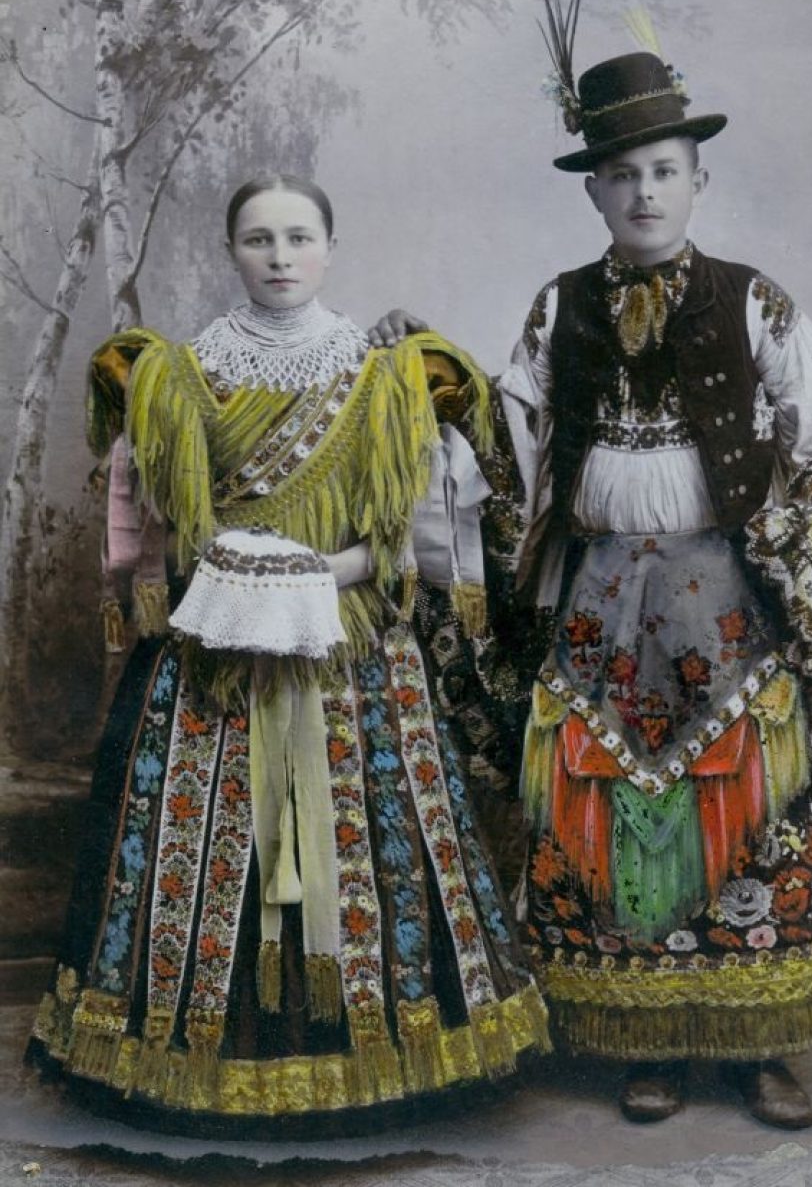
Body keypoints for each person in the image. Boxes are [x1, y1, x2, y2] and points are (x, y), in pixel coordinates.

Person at [369, 29, 812, 1129]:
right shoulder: (558, 307)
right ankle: (640, 1040)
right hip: (598, 609)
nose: (644, 192)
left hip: (729, 609)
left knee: (753, 813)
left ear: (698, 180)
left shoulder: (751, 301)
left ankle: (760, 1044)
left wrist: (786, 532)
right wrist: (431, 379)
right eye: (622, 174)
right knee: (608, 815)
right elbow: (506, 449)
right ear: (593, 191)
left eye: (664, 170)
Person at [26, 175, 549, 1134]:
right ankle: (194, 1052)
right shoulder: (178, 373)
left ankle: (380, 1049)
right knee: (207, 828)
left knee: (365, 831)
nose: (279, 257)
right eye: (259, 238)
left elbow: (401, 538)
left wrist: (324, 570)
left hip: (348, 651)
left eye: (299, 237)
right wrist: (232, 570)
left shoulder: (386, 376)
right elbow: (169, 531)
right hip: (217, 653)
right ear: (231, 249)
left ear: (329, 248)